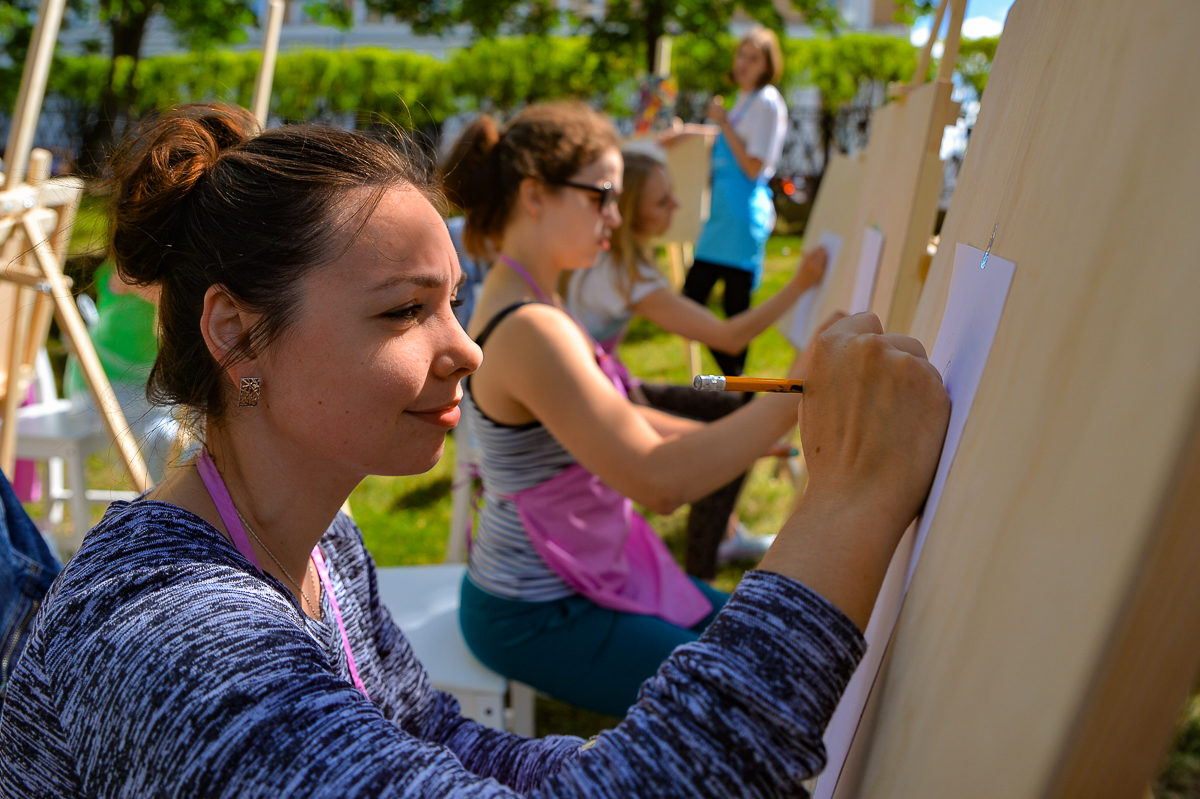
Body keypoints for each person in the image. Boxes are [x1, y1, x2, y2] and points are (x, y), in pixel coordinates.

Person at [0, 103, 951, 797]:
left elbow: (433, 736)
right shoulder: (175, 641)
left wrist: (595, 766)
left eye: (453, 297)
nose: (465, 347)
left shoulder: (323, 548)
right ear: (237, 334)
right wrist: (848, 505)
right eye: (406, 310)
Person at [442, 102, 909, 717]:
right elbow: (659, 483)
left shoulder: (537, 297)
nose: (616, 215)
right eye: (602, 195)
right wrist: (796, 391)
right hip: (538, 609)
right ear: (535, 195)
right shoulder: (531, 327)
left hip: (587, 574)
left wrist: (747, 429)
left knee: (774, 646)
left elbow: (616, 412)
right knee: (752, 696)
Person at [566, 147, 827, 577]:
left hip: (601, 389)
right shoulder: (626, 275)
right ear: (631, 214)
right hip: (593, 404)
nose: (677, 207)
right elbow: (728, 335)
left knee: (733, 409)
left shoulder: (604, 259)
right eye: (662, 201)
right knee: (730, 437)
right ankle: (703, 564)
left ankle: (723, 533)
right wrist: (800, 285)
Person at [683, 26, 790, 376]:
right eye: (741, 54)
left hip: (742, 216)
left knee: (734, 312)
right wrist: (688, 133)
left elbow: (753, 165)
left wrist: (723, 122)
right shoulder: (744, 100)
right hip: (721, 216)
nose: (743, 63)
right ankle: (736, 390)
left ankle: (736, 390)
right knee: (691, 300)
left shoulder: (767, 101)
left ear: (767, 64)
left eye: (753, 57)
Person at [63, 261, 180, 481]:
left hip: (144, 394)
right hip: (97, 391)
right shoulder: (125, 268)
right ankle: (156, 503)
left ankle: (166, 500)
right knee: (166, 433)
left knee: (189, 429)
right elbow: (129, 279)